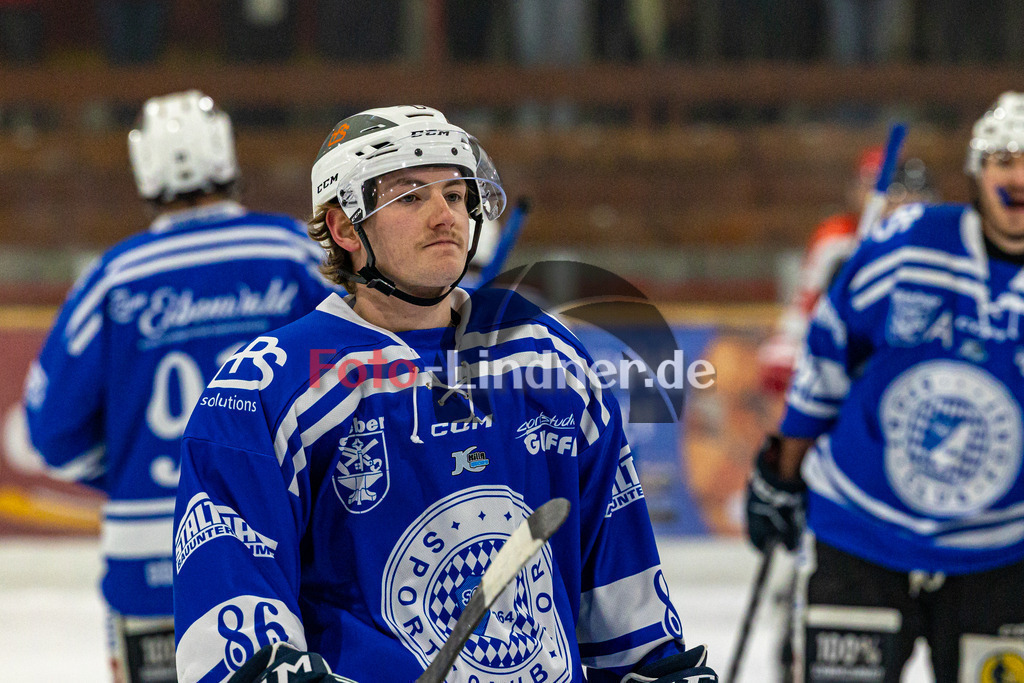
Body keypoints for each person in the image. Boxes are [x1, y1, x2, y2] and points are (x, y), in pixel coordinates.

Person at [172, 105, 719, 683]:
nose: (445, 217)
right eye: (411, 197)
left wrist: (660, 672)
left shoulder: (546, 358)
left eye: (456, 195)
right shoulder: (266, 388)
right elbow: (233, 624)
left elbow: (625, 601)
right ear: (344, 228)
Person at [22, 90, 336, 683]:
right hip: (277, 549)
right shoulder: (292, 253)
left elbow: (50, 434)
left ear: (144, 168)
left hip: (148, 560)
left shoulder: (113, 278)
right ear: (225, 153)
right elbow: (360, 373)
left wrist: (131, 473)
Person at [745, 91, 1024, 683]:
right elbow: (826, 356)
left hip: (1002, 553)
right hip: (862, 531)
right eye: (1005, 160)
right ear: (977, 172)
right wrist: (782, 470)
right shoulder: (909, 244)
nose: (1019, 177)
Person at [757, 148, 937, 395]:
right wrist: (791, 340)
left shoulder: (926, 240)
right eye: (867, 183)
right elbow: (807, 303)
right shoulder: (836, 237)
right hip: (842, 345)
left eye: (885, 186)